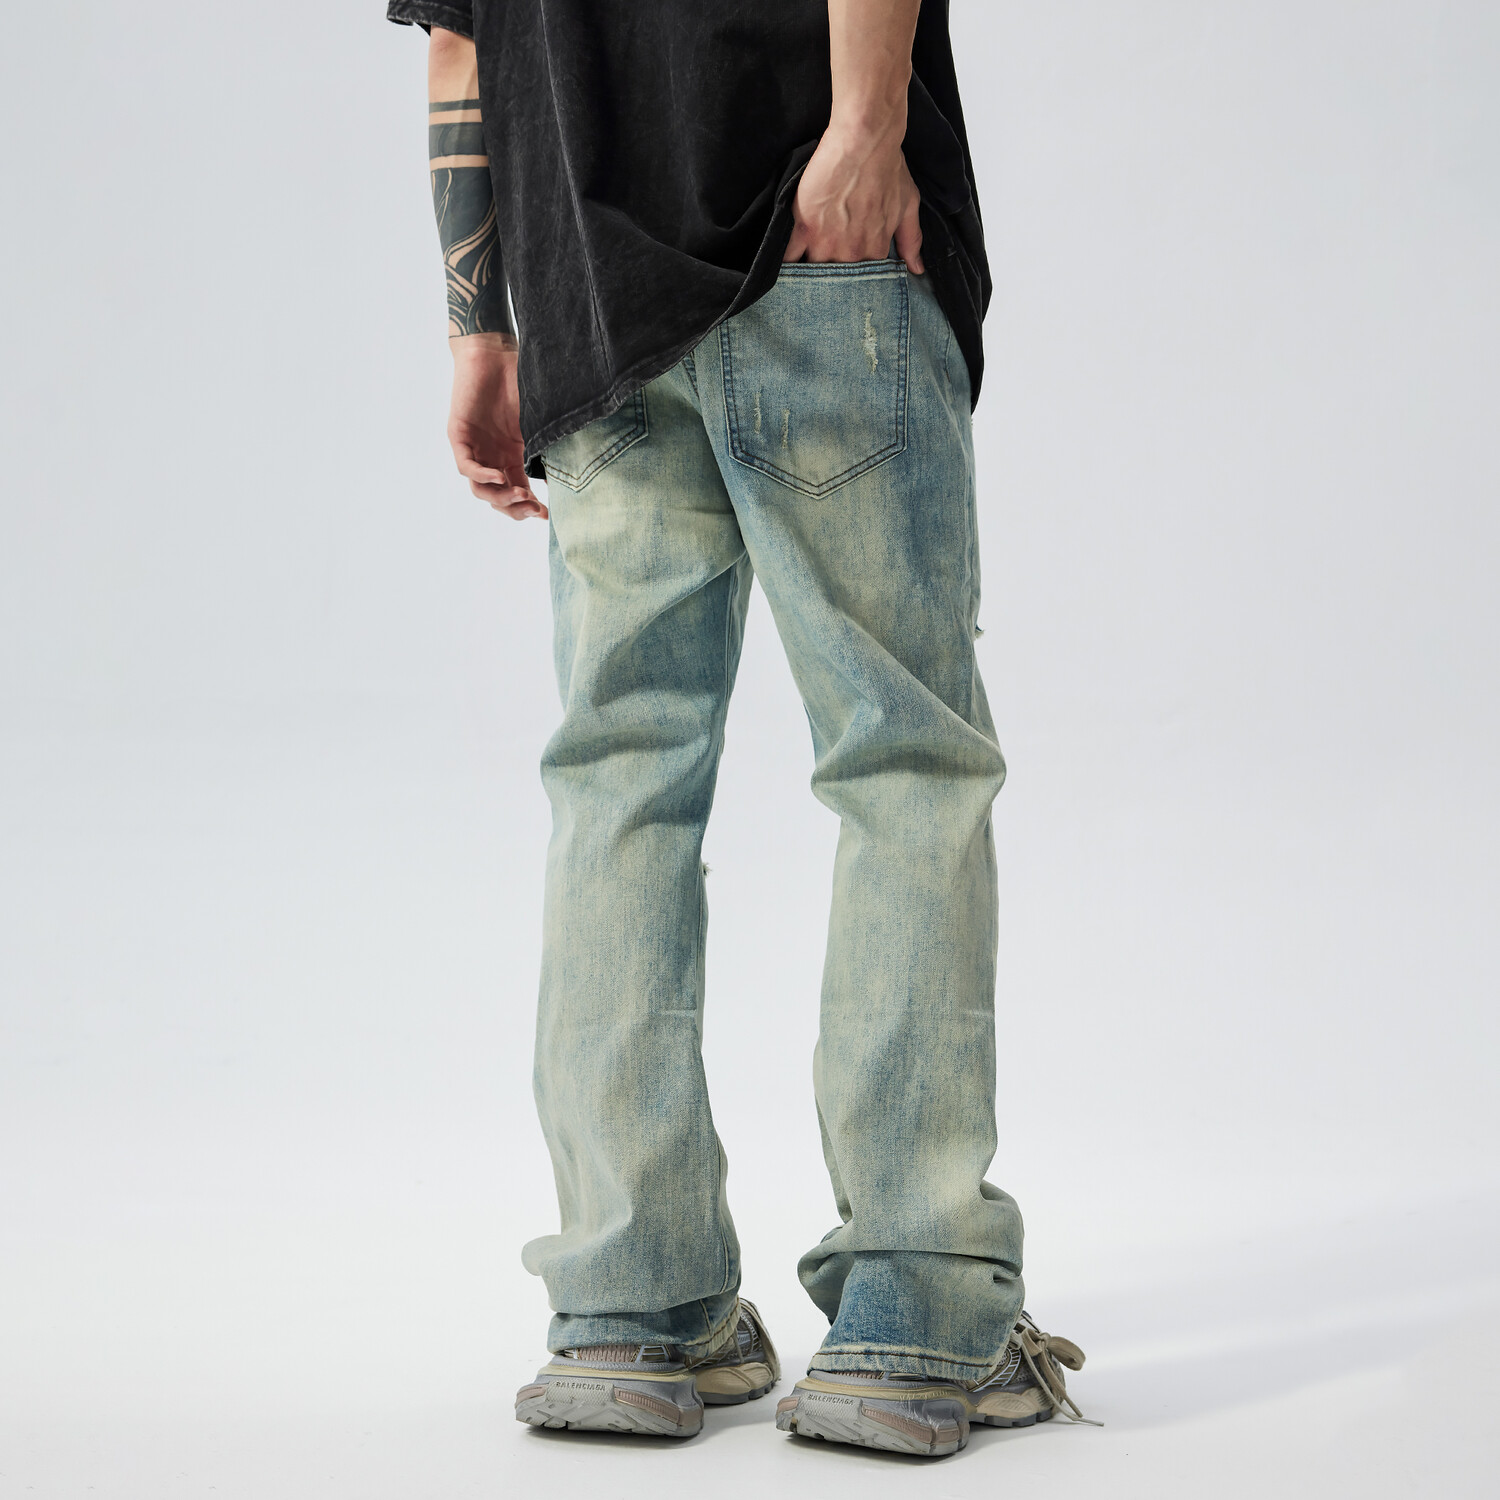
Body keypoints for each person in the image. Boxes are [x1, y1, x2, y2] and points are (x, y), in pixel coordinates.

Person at [387, 0, 1090, 1458]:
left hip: (590, 302)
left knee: (619, 781)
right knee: (906, 769)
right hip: (818, 243)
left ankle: (629, 1311)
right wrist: (865, 131)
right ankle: (911, 1314)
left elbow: (459, 44)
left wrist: (483, 326)